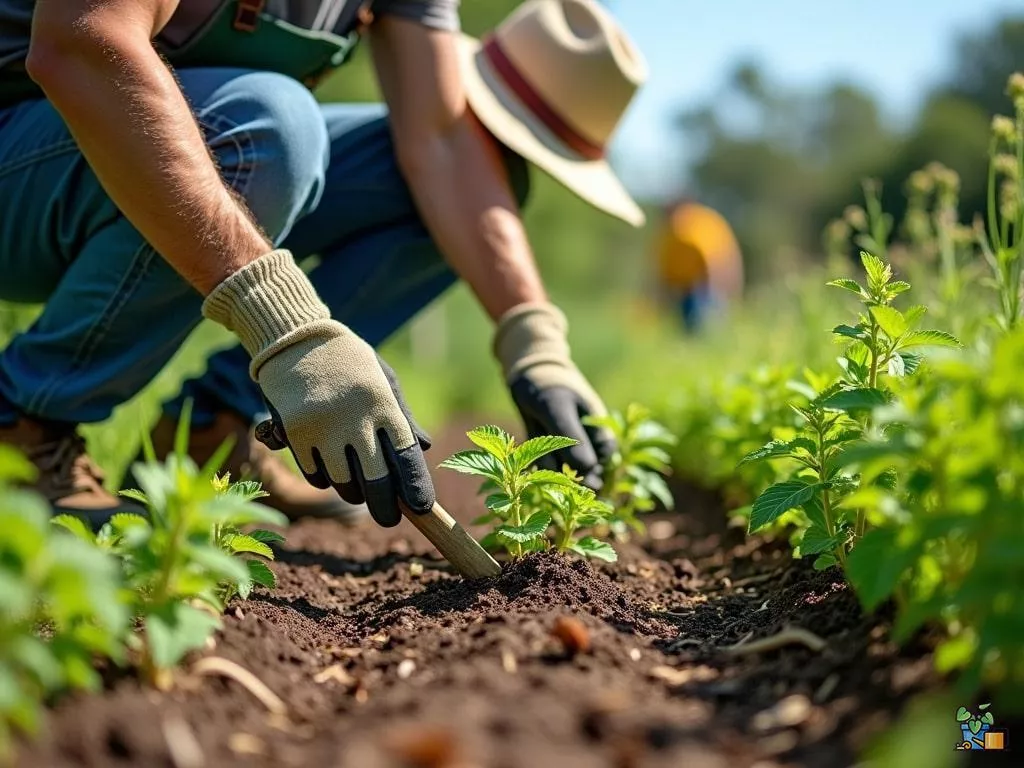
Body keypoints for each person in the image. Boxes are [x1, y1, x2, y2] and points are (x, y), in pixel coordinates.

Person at [0, 0, 649, 529]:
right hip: (23, 156)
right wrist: (286, 325)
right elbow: (82, 41)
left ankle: (212, 431)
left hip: (148, 170)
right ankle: (27, 427)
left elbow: (445, 146)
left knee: (459, 184)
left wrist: (532, 337)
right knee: (273, 124)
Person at [655, 197, 743, 332]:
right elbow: (664, 267)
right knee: (690, 330)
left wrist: (723, 288)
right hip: (685, 289)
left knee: (707, 327)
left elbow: (714, 262)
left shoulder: (697, 226)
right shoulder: (669, 234)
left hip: (706, 288)